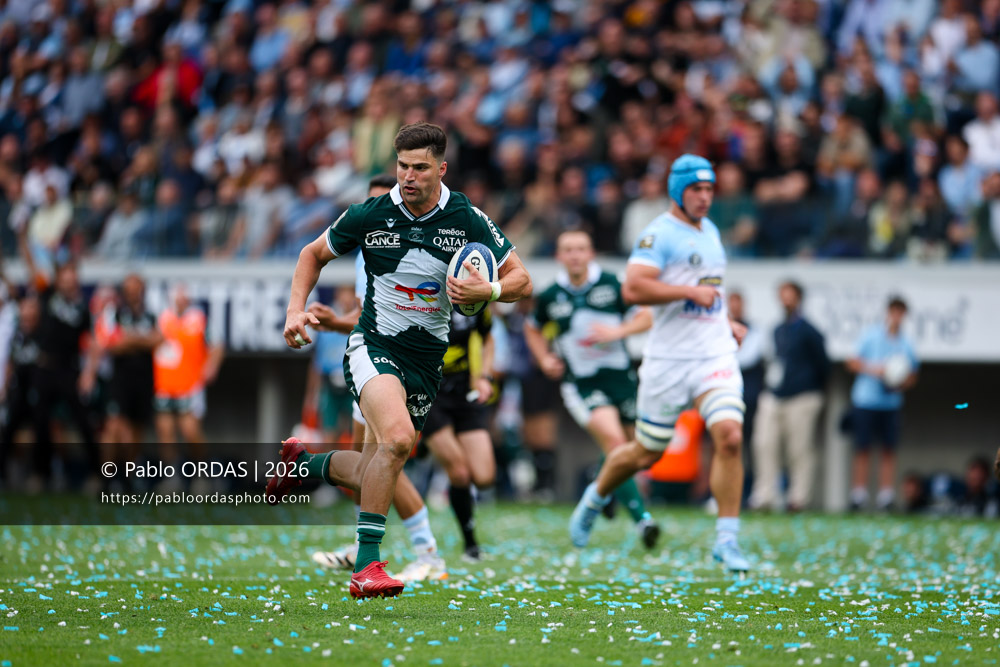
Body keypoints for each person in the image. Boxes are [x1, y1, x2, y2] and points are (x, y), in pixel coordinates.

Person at [268, 123, 532, 599]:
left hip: (427, 364)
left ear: (441, 169)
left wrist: (487, 289)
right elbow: (312, 254)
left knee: (382, 459)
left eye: (419, 168)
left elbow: (521, 279)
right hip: (373, 345)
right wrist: (294, 310)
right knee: (396, 440)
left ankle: (305, 466)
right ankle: (367, 566)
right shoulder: (371, 213)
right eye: (402, 167)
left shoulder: (466, 218)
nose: (408, 177)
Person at [568, 154, 751, 572]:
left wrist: (727, 320)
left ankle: (727, 540)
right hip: (668, 360)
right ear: (677, 191)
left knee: (729, 435)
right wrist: (688, 295)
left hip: (713, 352)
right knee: (645, 452)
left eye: (709, 190)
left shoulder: (711, 231)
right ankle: (595, 498)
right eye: (696, 190)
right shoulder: (658, 235)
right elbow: (634, 289)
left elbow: (709, 290)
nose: (704, 198)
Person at [306, 174, 451, 585]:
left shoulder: (420, 238)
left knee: (380, 461)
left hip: (408, 361)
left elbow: (408, 302)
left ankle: (305, 467)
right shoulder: (363, 243)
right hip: (372, 358)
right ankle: (394, 550)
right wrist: (337, 324)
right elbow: (372, 312)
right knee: (387, 454)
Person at [524, 230, 660, 548]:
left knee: (638, 456)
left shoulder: (613, 283)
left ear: (591, 254)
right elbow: (532, 328)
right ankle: (642, 520)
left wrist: (618, 331)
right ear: (559, 256)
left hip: (621, 380)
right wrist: (545, 359)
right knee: (616, 444)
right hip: (582, 385)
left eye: (580, 249)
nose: (574, 255)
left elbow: (647, 316)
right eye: (568, 249)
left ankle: (600, 485)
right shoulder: (551, 295)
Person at [420, 303, 498, 562]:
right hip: (429, 393)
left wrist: (485, 376)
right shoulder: (422, 297)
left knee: (485, 477)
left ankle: (426, 448)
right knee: (460, 473)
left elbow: (487, 338)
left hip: (464, 392)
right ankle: (470, 544)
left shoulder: (473, 302)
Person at [748, 281, 829, 512]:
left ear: (799, 298)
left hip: (802, 397)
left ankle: (798, 498)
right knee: (764, 444)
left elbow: (824, 365)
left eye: (790, 295)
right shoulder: (777, 330)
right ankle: (765, 496)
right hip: (775, 395)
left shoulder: (809, 331)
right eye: (782, 295)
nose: (785, 300)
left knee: (799, 449)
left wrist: (810, 388)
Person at [846, 296, 919, 511]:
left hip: (891, 404)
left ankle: (885, 495)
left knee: (888, 449)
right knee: (862, 448)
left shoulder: (906, 343)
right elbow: (851, 362)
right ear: (888, 313)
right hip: (866, 401)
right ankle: (859, 494)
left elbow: (912, 375)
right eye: (893, 312)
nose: (896, 317)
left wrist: (900, 382)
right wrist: (877, 370)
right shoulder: (871, 335)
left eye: (901, 313)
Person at [153, 283, 224, 482]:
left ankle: (202, 474)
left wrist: (211, 366)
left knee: (190, 431)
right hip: (164, 384)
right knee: (165, 431)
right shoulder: (162, 319)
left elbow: (217, 345)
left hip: (190, 385)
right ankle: (171, 477)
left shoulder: (199, 320)